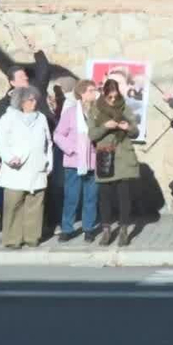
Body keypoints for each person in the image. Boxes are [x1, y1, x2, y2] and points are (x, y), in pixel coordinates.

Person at [0, 86, 53, 249]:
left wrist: (48, 162)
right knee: (14, 205)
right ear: (21, 102)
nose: (35, 102)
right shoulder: (8, 118)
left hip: (37, 167)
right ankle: (13, 240)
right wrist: (9, 158)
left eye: (35, 99)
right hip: (16, 168)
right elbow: (0, 141)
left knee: (35, 204)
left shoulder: (41, 118)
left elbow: (48, 142)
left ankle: (32, 237)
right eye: (31, 100)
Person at [91, 78, 141, 246]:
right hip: (105, 155)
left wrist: (128, 128)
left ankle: (124, 231)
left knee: (124, 196)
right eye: (110, 97)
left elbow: (135, 131)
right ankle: (106, 231)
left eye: (115, 96)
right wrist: (106, 126)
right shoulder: (95, 109)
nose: (113, 100)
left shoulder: (125, 107)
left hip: (123, 155)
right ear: (104, 95)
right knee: (104, 196)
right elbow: (92, 134)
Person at [53, 79, 101, 243]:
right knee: (71, 197)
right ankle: (67, 228)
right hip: (74, 162)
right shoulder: (70, 113)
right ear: (81, 94)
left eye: (94, 90)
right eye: (90, 91)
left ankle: (89, 228)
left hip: (93, 161)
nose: (94, 93)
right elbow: (58, 135)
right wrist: (72, 148)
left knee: (91, 197)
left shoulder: (98, 112)